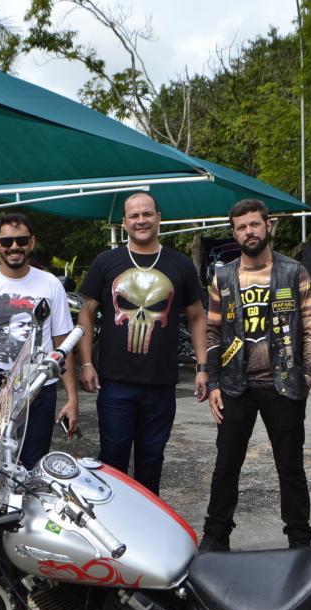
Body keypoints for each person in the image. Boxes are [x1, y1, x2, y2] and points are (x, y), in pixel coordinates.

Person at [201, 198, 311, 552]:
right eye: (241, 227)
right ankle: (215, 538)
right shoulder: (223, 276)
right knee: (226, 466)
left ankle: (300, 541)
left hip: (283, 385)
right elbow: (212, 331)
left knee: (290, 467)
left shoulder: (293, 271)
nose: (248, 232)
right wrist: (214, 383)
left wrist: (306, 377)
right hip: (235, 385)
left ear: (268, 226)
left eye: (254, 224)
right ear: (234, 233)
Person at [76, 192, 207, 495]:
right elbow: (86, 313)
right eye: (134, 215)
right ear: (124, 223)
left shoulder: (180, 264)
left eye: (147, 214)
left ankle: (147, 517)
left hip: (161, 383)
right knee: (112, 460)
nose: (141, 220)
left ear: (159, 218)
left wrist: (202, 367)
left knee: (152, 459)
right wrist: (86, 363)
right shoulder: (106, 262)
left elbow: (197, 316)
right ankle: (114, 518)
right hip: (115, 382)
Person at [0, 213, 77, 469]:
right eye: (6, 241)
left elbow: (62, 343)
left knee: (33, 467)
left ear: (32, 242)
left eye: (21, 240)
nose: (14, 247)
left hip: (39, 390)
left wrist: (72, 398)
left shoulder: (50, 284)